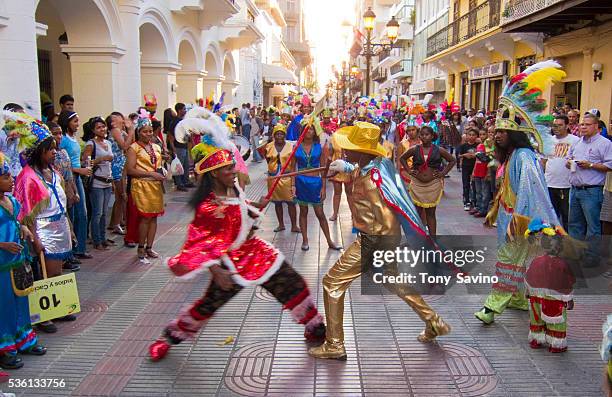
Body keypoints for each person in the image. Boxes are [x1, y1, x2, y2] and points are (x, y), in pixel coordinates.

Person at [148, 116, 325, 361]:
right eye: (229, 168)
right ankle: (169, 337)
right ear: (214, 174)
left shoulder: (233, 189)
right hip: (228, 263)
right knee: (208, 305)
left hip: (256, 252)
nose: (235, 171)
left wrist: (256, 206)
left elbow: (240, 208)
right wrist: (215, 271)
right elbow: (201, 240)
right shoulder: (208, 207)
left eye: (233, 166)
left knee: (292, 282)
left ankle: (314, 326)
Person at [308, 121, 451, 361]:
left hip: (374, 239)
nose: (345, 151)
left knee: (332, 283)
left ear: (361, 151)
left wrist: (374, 245)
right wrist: (344, 168)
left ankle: (334, 344)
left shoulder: (372, 179)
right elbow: (358, 172)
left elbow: (382, 213)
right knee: (393, 280)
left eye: (349, 149)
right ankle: (433, 321)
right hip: (384, 237)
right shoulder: (376, 166)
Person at [474, 60, 565, 325]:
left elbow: (530, 190)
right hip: (508, 218)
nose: (497, 135)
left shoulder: (524, 156)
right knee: (516, 260)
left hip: (519, 221)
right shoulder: (511, 156)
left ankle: (491, 308)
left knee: (507, 261)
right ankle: (518, 299)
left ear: (516, 135)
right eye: (497, 131)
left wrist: (522, 220)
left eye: (504, 131)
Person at [13, 118, 76, 333]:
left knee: (57, 270)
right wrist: (35, 238)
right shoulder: (27, 177)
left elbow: (62, 202)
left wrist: (70, 228)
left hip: (60, 224)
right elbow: (25, 214)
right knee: (43, 273)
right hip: (42, 228)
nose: (54, 153)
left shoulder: (54, 171)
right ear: (40, 151)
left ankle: (57, 307)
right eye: (51, 150)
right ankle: (43, 316)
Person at [0, 153, 47, 370]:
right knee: (4, 306)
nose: (11, 180)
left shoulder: (12, 201)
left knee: (22, 301)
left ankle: (25, 340)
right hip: (2, 264)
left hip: (19, 260)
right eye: (6, 176)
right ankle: (5, 348)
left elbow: (17, 222)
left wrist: (25, 229)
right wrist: (2, 245)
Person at [524, 220, 575, 353]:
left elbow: (528, 278)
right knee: (556, 322)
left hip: (536, 297)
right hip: (555, 299)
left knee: (537, 320)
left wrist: (528, 292)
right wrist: (569, 299)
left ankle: (536, 340)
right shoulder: (563, 265)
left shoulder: (536, 261)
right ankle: (556, 345)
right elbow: (567, 283)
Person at [400, 125, 455, 236]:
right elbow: (402, 158)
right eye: (422, 134)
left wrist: (443, 173)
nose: (424, 137)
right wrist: (409, 171)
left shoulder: (438, 149)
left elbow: (452, 160)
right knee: (417, 212)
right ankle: (416, 237)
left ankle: (433, 240)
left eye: (427, 134)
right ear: (419, 136)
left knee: (431, 213)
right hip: (417, 185)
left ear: (432, 136)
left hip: (432, 185)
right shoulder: (415, 149)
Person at [125, 114, 166, 263]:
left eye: (150, 131)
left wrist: (162, 171)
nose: (148, 134)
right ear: (138, 132)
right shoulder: (133, 148)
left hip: (155, 185)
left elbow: (158, 165)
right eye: (144, 131)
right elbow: (130, 170)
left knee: (154, 217)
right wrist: (151, 174)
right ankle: (141, 247)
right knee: (145, 218)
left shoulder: (156, 146)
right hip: (141, 185)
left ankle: (150, 247)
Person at [294, 123, 340, 251]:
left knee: (320, 213)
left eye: (312, 129)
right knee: (303, 212)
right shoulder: (296, 147)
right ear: (302, 131)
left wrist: (323, 187)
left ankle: (330, 241)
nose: (309, 131)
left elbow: (324, 170)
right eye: (307, 129)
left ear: (315, 132)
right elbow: (292, 167)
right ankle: (305, 240)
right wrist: (292, 185)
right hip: (301, 182)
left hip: (315, 183)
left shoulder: (319, 147)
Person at [567, 113, 612, 240]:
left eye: (587, 125)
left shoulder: (605, 144)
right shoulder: (577, 143)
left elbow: (609, 166)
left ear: (596, 126)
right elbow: (569, 158)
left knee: (593, 227)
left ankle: (592, 257)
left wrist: (591, 165)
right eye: (582, 124)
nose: (583, 127)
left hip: (591, 191)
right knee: (574, 225)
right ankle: (576, 255)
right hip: (575, 189)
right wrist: (568, 163)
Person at [58, 110, 92, 260]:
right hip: (69, 178)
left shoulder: (73, 138)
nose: (78, 125)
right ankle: (71, 251)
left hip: (77, 177)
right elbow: (63, 164)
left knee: (82, 214)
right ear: (67, 123)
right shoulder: (63, 139)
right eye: (75, 122)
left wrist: (83, 165)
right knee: (73, 214)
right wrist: (80, 170)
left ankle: (80, 248)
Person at [48, 121, 80, 272]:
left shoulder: (63, 153)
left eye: (60, 133)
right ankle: (62, 259)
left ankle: (70, 254)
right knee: (62, 224)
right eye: (55, 133)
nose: (59, 136)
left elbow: (69, 174)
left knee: (70, 222)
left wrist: (74, 191)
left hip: (67, 189)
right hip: (56, 193)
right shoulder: (49, 156)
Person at [82, 117, 114, 251]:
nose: (102, 129)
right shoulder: (91, 144)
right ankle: (97, 241)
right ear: (93, 130)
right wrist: (101, 159)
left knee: (104, 212)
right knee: (97, 213)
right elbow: (85, 162)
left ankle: (103, 237)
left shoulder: (108, 142)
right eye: (98, 127)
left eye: (103, 126)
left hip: (107, 180)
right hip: (96, 182)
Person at [542, 115, 579, 230]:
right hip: (549, 184)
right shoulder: (548, 141)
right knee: (551, 218)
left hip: (567, 185)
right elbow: (543, 161)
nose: (556, 128)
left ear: (567, 126)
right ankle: (554, 244)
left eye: (560, 125)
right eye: (554, 125)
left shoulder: (575, 141)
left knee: (567, 218)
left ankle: (568, 244)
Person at [264, 124, 299, 233]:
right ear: (274, 135)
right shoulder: (268, 146)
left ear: (285, 135)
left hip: (287, 177)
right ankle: (281, 225)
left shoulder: (291, 146)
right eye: (277, 134)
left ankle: (294, 226)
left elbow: (293, 164)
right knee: (277, 202)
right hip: (273, 177)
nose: (279, 136)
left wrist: (293, 182)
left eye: (281, 134)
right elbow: (267, 159)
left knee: (291, 202)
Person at [106, 112, 134, 236]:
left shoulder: (120, 131)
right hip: (116, 165)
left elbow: (130, 143)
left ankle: (115, 222)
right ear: (112, 122)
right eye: (118, 118)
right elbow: (124, 146)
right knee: (121, 196)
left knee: (120, 197)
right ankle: (116, 223)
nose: (122, 119)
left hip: (121, 164)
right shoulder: (115, 131)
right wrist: (132, 130)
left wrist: (129, 130)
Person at [0, 104, 25, 178]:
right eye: (20, 117)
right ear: (8, 118)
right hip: (6, 179)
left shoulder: (19, 136)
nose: (23, 120)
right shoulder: (1, 137)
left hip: (19, 176)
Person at [472, 129, 491, 217]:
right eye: (480, 134)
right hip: (477, 171)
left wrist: (488, 173)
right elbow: (477, 160)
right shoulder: (479, 145)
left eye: (484, 134)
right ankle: (478, 207)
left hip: (484, 172)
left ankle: (483, 209)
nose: (482, 136)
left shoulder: (489, 147)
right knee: (478, 192)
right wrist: (473, 171)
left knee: (485, 192)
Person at [458, 129, 479, 211]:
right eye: (469, 135)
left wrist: (475, 155)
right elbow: (459, 156)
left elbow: (481, 154)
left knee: (474, 184)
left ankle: (474, 201)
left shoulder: (478, 145)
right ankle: (466, 201)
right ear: (466, 136)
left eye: (473, 135)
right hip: (465, 167)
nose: (471, 136)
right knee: (466, 184)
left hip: (475, 167)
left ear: (476, 136)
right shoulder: (463, 146)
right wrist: (465, 155)